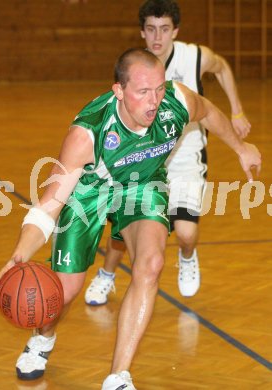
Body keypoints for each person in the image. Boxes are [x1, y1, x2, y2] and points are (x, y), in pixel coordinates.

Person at [0, 48, 260, 390]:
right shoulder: (87, 134)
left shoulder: (176, 102)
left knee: (151, 264)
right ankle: (42, 339)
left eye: (159, 88)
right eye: (143, 92)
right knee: (65, 290)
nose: (154, 101)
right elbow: (48, 207)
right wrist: (18, 256)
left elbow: (208, 112)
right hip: (89, 191)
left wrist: (241, 148)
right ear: (118, 90)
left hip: (141, 186)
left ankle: (118, 376)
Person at [84, 0, 252, 306]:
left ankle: (187, 256)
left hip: (186, 154)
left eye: (164, 29)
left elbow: (224, 68)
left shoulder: (195, 56)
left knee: (186, 233)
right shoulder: (136, 68)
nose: (157, 38)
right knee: (123, 231)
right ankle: (106, 275)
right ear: (142, 32)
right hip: (145, 157)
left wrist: (237, 111)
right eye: (150, 29)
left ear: (175, 31)